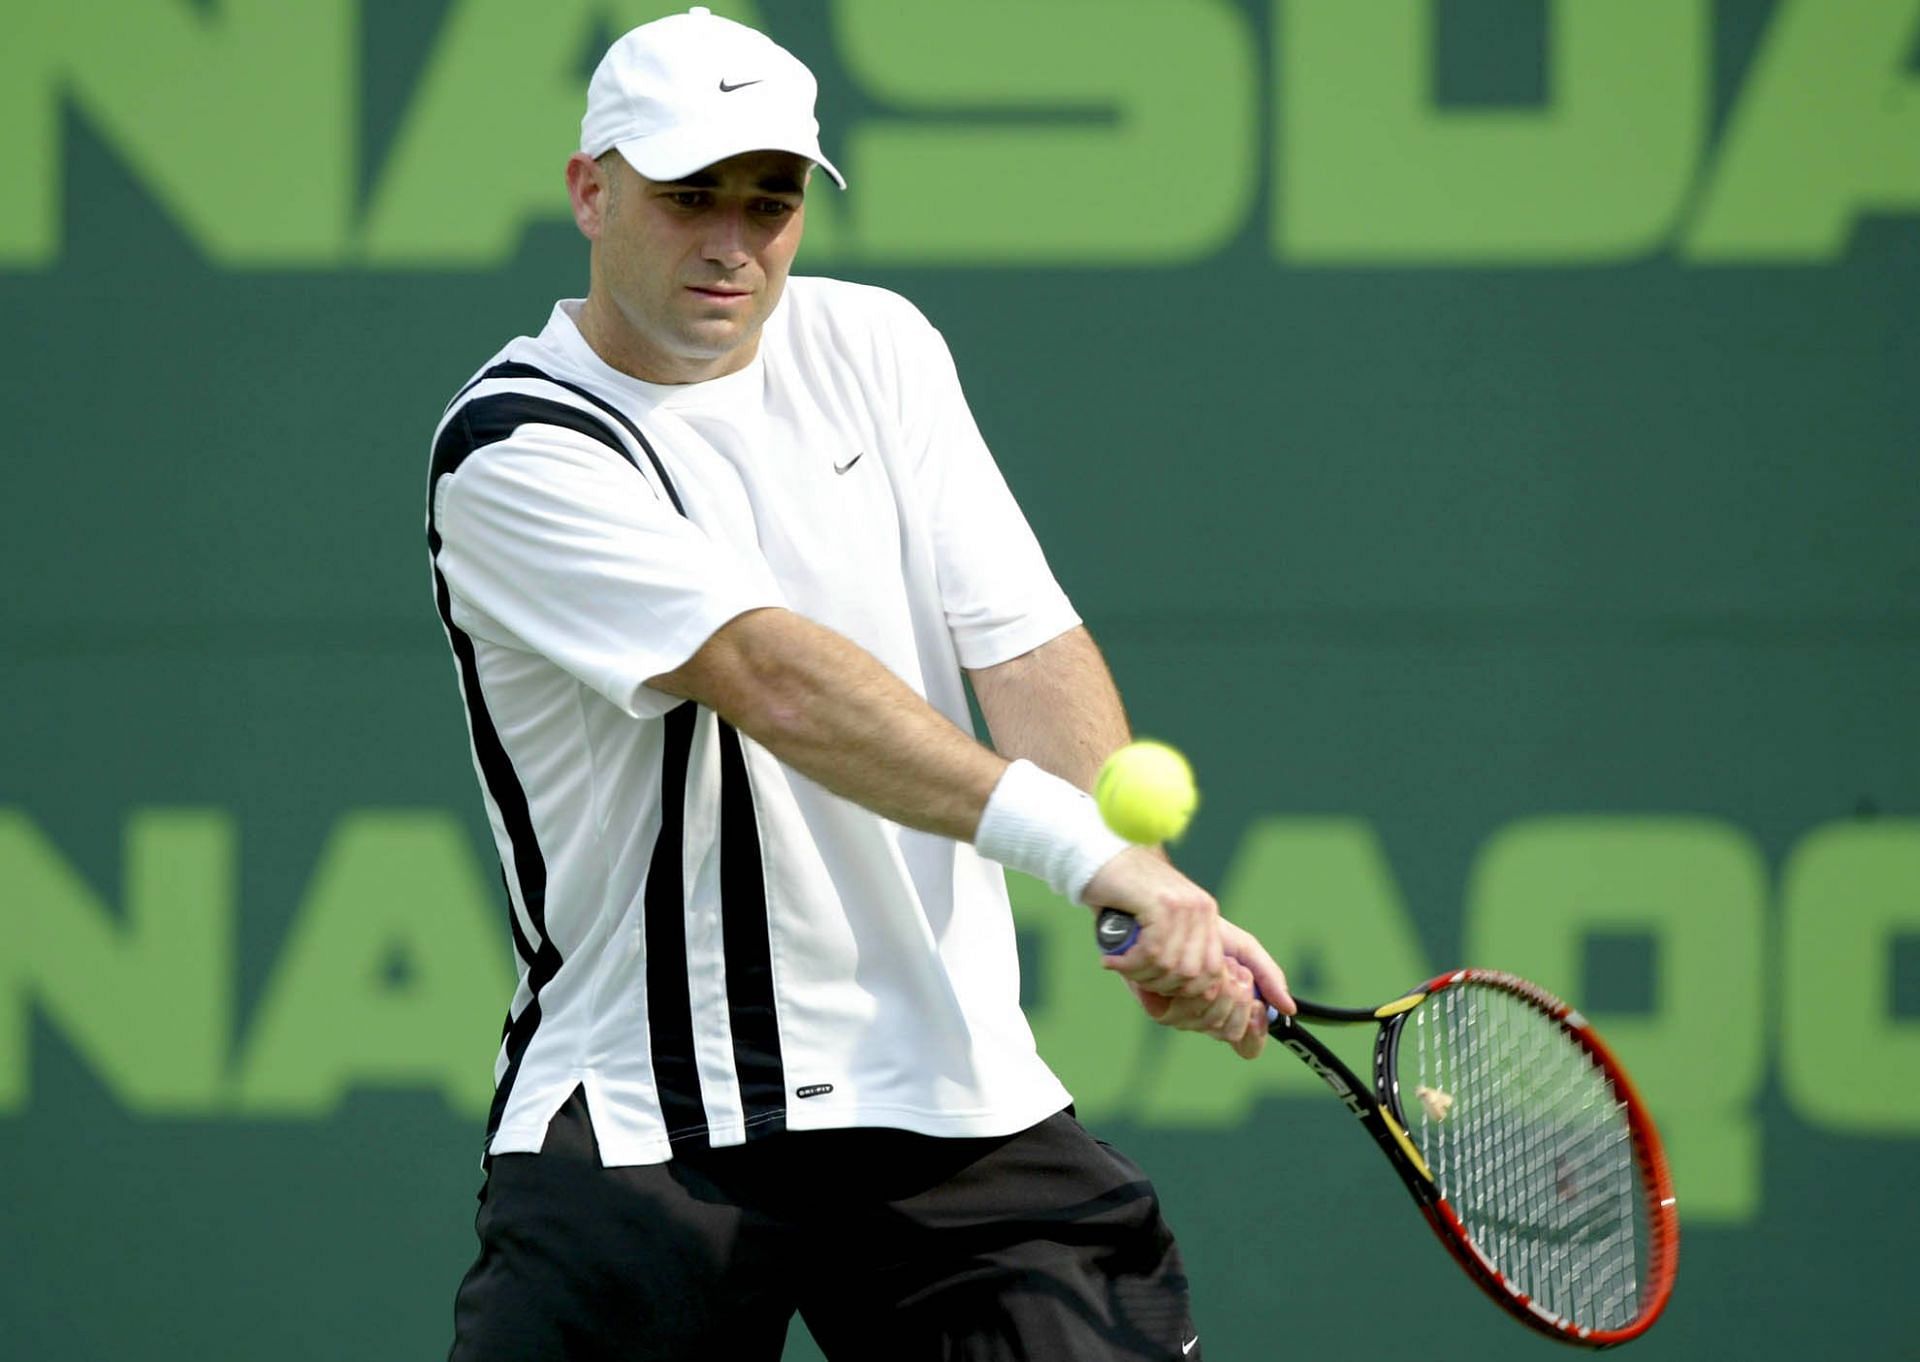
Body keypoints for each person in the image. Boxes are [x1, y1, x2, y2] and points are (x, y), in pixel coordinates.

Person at [426, 9, 1293, 1359]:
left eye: (770, 202)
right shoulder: (515, 446)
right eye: (687, 194)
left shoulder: (878, 348)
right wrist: (1083, 855)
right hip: (657, 1121)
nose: (732, 239)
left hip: (945, 1093)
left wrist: (1140, 879)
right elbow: (774, 679)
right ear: (589, 190)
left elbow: (1020, 641)